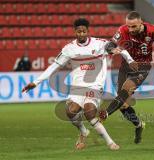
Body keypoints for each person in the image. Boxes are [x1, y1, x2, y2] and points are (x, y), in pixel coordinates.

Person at [22, 18, 136, 150]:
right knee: (71, 111)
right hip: (77, 87)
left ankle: (110, 142)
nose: (81, 34)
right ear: (74, 32)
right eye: (78, 31)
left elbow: (120, 49)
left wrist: (130, 60)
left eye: (83, 31)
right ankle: (83, 131)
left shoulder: (100, 44)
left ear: (88, 31)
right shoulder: (69, 49)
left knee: (89, 112)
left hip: (95, 86)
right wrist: (36, 82)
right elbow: (54, 66)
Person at [99, 11, 154, 144]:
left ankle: (105, 114)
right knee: (122, 104)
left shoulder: (152, 30)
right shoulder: (123, 30)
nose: (130, 29)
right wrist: (112, 50)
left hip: (143, 66)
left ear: (141, 23)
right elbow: (110, 44)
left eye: (133, 26)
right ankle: (139, 125)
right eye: (128, 26)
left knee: (125, 91)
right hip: (126, 65)